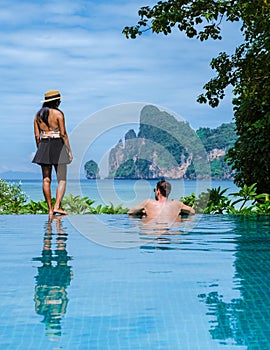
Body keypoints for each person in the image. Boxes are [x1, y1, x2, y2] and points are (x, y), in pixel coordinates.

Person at [32, 90, 73, 216]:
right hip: (57, 145)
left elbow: (37, 136)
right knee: (62, 179)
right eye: (59, 100)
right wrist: (69, 151)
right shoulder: (59, 114)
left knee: (46, 179)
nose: (60, 102)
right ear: (55, 101)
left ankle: (50, 209)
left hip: (44, 145)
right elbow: (63, 134)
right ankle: (57, 206)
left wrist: (40, 149)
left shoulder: (37, 116)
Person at [128, 180, 195, 222]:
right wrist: (180, 212)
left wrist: (142, 212)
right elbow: (192, 211)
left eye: (155, 190)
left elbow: (130, 212)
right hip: (172, 231)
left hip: (152, 230)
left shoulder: (148, 203)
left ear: (158, 191)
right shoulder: (177, 204)